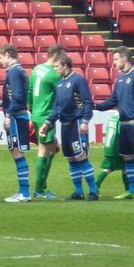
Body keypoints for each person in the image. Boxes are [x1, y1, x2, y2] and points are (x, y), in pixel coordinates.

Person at [39, 53, 97, 200]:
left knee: (81, 156)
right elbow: (56, 108)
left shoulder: (78, 80)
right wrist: (47, 123)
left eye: (57, 67)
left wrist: (85, 121)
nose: (55, 70)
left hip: (77, 123)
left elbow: (87, 102)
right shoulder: (59, 84)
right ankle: (78, 192)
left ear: (65, 66)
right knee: (71, 158)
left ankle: (93, 191)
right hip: (64, 125)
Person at [94, 46, 134, 200]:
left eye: (116, 59)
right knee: (128, 157)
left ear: (124, 58)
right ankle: (131, 190)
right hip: (124, 124)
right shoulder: (120, 79)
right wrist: (96, 106)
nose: (114, 63)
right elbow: (113, 101)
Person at [0, 43, 32, 203]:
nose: (0, 60)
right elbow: (15, 95)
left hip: (16, 117)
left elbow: (17, 97)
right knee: (15, 152)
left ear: (8, 55)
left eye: (1, 57)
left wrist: (8, 115)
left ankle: (25, 192)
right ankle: (22, 191)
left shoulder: (15, 72)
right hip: (17, 115)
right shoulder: (16, 71)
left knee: (17, 152)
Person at [27, 44, 65, 200]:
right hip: (46, 115)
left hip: (36, 113)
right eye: (62, 55)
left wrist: (32, 108)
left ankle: (41, 187)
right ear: (55, 54)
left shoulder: (37, 69)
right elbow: (63, 94)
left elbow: (29, 91)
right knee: (45, 150)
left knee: (52, 149)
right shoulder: (55, 74)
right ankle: (39, 189)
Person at [96, 113, 130, 198]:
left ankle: (128, 191)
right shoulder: (124, 117)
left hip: (109, 146)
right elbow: (121, 132)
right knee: (113, 168)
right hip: (117, 147)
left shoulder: (113, 116)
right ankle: (95, 187)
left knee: (122, 167)